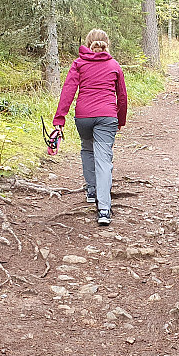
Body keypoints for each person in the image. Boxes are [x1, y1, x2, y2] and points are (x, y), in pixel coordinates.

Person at [52, 29, 128, 226]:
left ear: (88, 44)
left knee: (87, 148)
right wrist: (120, 120)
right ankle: (104, 209)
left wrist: (59, 120)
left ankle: (92, 190)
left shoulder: (79, 64)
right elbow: (122, 97)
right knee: (103, 159)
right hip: (107, 117)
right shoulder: (114, 65)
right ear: (107, 44)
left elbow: (68, 91)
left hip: (83, 116)